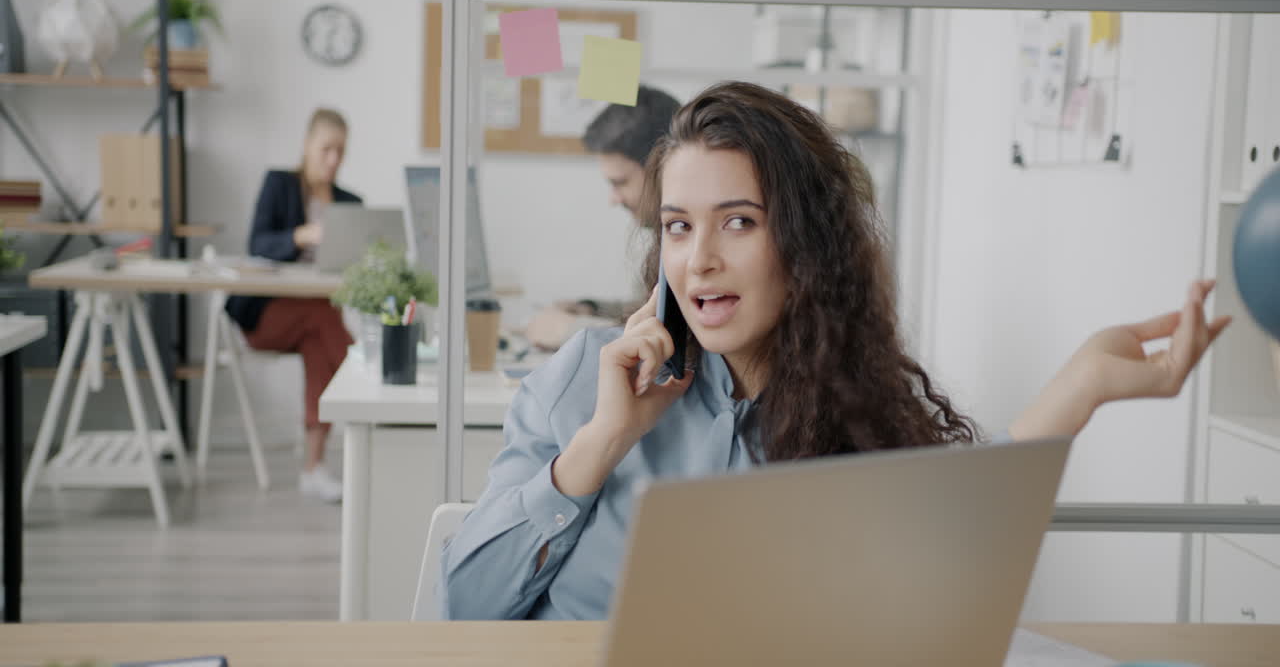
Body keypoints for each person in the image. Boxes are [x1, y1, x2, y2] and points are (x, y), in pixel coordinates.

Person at [440, 82, 1230, 620]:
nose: (699, 259)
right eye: (679, 226)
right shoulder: (588, 375)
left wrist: (1082, 385)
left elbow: (949, 548)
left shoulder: (853, 400)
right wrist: (600, 443)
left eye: (739, 221)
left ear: (805, 243)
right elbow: (465, 602)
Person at [225, 108, 359, 503]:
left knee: (320, 336)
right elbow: (258, 245)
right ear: (307, 146)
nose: (333, 159)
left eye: (341, 151)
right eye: (326, 149)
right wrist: (301, 236)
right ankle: (363, 375)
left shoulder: (350, 203)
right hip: (267, 317)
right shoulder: (280, 185)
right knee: (323, 315)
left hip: (316, 321)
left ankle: (313, 470)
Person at [523, 85, 682, 351]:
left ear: (662, 170)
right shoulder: (662, 237)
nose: (614, 199)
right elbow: (649, 310)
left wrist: (570, 331)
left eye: (620, 183)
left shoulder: (689, 245)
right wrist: (590, 309)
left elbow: (670, 341)